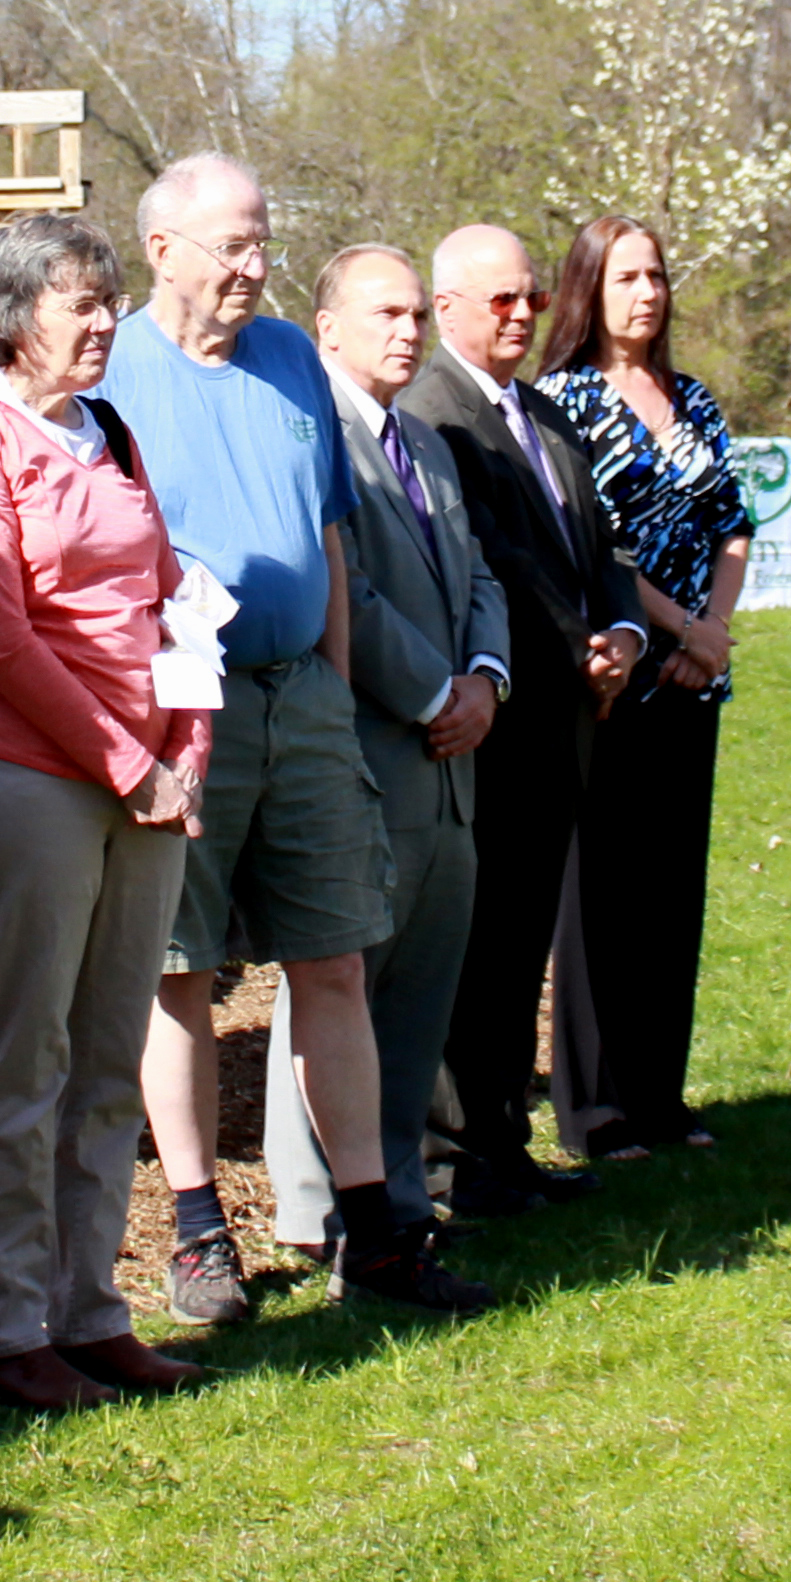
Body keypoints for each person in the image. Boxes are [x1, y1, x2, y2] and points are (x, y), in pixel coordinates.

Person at [101, 155, 476, 1322]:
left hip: (305, 698)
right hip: (182, 705)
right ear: (163, 250)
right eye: (232, 246)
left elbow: (333, 546)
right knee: (181, 975)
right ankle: (200, 1234)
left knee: (335, 962)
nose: (255, 266)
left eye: (264, 241)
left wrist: (338, 702)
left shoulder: (290, 364)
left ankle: (374, 1236)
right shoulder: (111, 368)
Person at [0, 208, 210, 1416]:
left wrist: (186, 738)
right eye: (79, 301)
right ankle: (9, 1325)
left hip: (145, 785)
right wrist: (119, 761)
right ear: (13, 314)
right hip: (27, 778)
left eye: (110, 300)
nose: (104, 322)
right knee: (22, 1052)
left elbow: (171, 599)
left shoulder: (112, 431)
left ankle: (92, 1314)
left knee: (105, 1057)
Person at [402, 225, 653, 1216]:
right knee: (472, 957)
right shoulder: (436, 417)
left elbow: (601, 548)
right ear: (448, 306)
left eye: (531, 300)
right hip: (499, 726)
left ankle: (503, 1148)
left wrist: (626, 631)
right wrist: (575, 648)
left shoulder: (545, 415)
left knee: (515, 959)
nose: (520, 314)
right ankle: (456, 1160)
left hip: (567, 727)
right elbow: (493, 562)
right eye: (499, 300)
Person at [268, 246, 507, 1266]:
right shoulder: (308, 440)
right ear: (327, 328)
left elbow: (481, 578)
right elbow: (343, 593)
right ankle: (316, 1212)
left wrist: (489, 677)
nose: (408, 331)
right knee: (336, 995)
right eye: (385, 313)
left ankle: (396, 1200)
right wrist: (432, 692)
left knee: (417, 1004)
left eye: (417, 314)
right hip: (366, 759)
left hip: (452, 773)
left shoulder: (430, 446)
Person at [530, 213, 758, 1162]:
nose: (648, 293)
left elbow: (734, 522)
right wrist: (675, 625)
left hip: (693, 679)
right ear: (590, 289)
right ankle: (597, 1109)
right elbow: (597, 547)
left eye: (657, 275)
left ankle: (662, 1097)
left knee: (671, 892)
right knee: (602, 897)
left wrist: (715, 631)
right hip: (616, 677)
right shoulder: (562, 403)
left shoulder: (694, 399)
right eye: (626, 277)